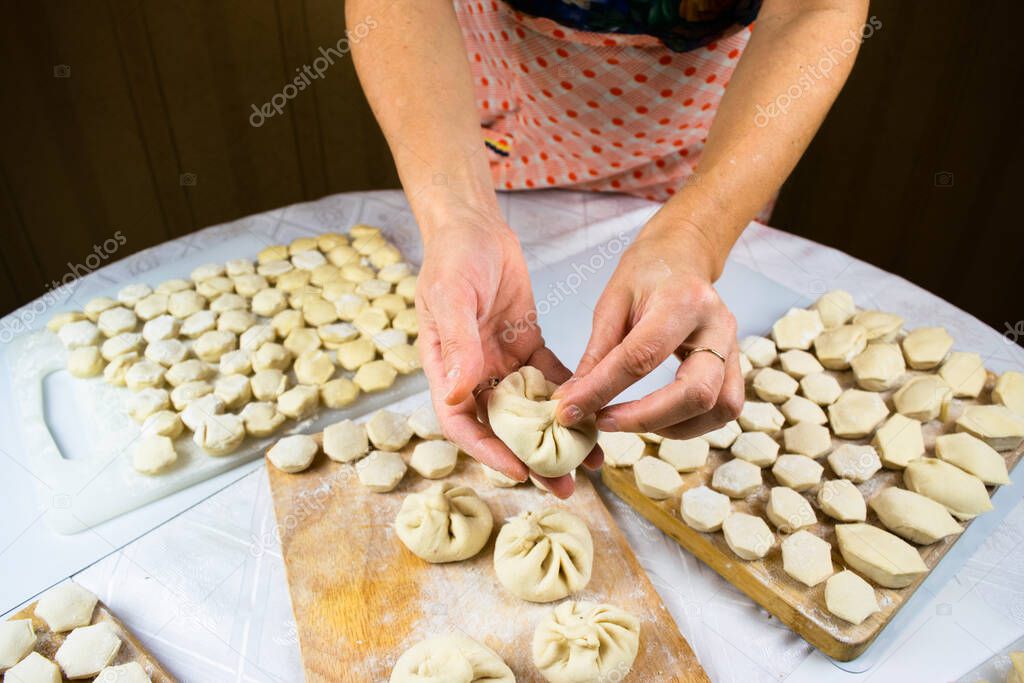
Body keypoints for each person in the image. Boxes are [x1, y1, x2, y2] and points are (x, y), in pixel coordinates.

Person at [349, 0, 870, 497]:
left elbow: (812, 8)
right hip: (490, 115)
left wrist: (698, 234)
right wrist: (459, 216)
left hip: (722, 134)